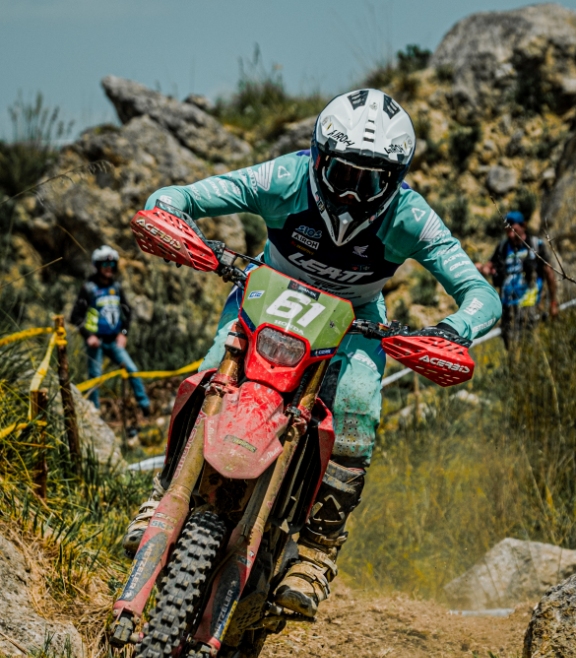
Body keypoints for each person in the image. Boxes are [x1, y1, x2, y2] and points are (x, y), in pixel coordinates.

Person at [123, 88, 501, 617]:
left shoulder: (410, 216)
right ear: (319, 158)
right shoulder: (284, 177)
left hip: (355, 320)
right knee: (210, 376)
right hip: (263, 298)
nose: (351, 192)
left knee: (358, 406)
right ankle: (164, 492)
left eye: (370, 181)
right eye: (342, 173)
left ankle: (318, 551)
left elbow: (482, 294)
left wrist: (453, 329)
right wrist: (171, 215)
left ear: (395, 180)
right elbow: (182, 195)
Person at [71, 245, 151, 417]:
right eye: (105, 265)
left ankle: (145, 406)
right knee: (95, 377)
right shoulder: (89, 288)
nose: (109, 268)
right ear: (97, 266)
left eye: (112, 264)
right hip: (96, 342)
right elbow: (75, 317)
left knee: (132, 369)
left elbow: (127, 311)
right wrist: (88, 336)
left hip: (114, 340)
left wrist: (124, 333)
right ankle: (94, 413)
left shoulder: (116, 287)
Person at [476, 211, 558, 350]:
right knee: (511, 348)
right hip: (507, 308)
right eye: (507, 231)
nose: (510, 235)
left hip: (530, 306)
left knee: (530, 347)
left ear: (523, 226)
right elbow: (489, 266)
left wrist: (553, 303)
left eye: (514, 230)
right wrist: (482, 269)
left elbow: (549, 273)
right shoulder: (502, 247)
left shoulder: (536, 245)